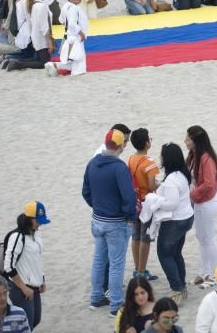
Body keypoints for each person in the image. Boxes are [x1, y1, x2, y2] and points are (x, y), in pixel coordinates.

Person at [83, 128, 138, 314]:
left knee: (99, 260)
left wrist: (97, 206)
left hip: (98, 220)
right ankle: (116, 304)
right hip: (116, 222)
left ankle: (96, 296)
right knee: (116, 264)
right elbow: (129, 197)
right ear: (121, 146)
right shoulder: (119, 167)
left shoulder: (92, 163)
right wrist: (130, 217)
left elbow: (86, 192)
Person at [155, 142, 195, 305]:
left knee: (164, 254)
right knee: (176, 253)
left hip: (175, 221)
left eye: (162, 155)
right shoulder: (183, 174)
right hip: (186, 217)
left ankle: (177, 288)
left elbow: (171, 204)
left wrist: (155, 202)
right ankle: (182, 285)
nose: (160, 158)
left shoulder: (171, 179)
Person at [3, 201, 49, 329]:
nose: (40, 223)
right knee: (25, 324)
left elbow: (37, 260)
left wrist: (42, 280)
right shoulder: (17, 237)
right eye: (38, 220)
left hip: (34, 286)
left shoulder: (36, 234)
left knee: (35, 320)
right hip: (21, 288)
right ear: (29, 219)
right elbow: (8, 267)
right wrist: (23, 287)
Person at [186, 126, 217, 289]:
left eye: (188, 139)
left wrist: (191, 195)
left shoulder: (206, 158)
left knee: (209, 238)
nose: (185, 141)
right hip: (200, 202)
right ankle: (204, 271)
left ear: (196, 141)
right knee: (201, 238)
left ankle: (215, 274)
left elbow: (209, 184)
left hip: (206, 202)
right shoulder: (194, 156)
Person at [127, 129, 160, 281]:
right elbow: (152, 185)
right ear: (147, 142)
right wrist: (160, 184)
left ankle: (136, 269)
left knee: (135, 236)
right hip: (146, 203)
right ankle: (142, 271)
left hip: (135, 202)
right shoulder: (149, 162)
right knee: (144, 237)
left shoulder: (131, 159)